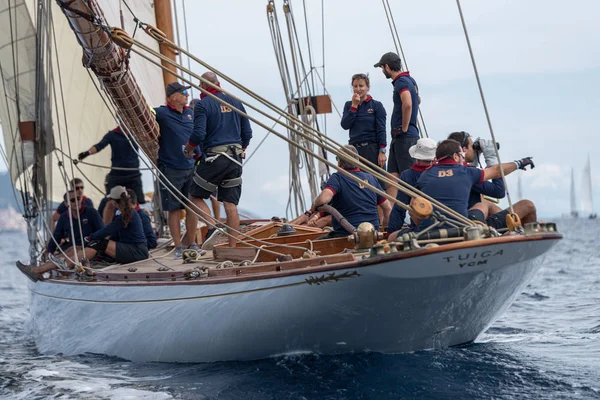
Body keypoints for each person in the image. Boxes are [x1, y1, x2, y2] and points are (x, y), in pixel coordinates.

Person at [17, 186, 148, 282]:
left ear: (114, 201)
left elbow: (107, 230)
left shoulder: (127, 214)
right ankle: (40, 269)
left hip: (137, 252)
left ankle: (48, 267)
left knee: (97, 243)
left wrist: (90, 238)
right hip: (129, 249)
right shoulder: (124, 213)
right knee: (78, 248)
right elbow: (111, 233)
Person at [184, 72, 252, 248]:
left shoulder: (203, 105)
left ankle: (214, 227)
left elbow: (198, 134)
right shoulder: (236, 102)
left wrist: (188, 149)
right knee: (230, 204)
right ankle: (233, 248)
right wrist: (240, 150)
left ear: (202, 86)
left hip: (215, 158)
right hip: (236, 159)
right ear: (219, 83)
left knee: (194, 196)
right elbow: (247, 134)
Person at [412, 139, 534, 230]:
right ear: (455, 156)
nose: (463, 158)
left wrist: (422, 229)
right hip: (463, 227)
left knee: (483, 204)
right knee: (528, 205)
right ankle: (518, 233)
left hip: (429, 231)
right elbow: (497, 172)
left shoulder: (425, 175)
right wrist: (519, 163)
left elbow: (413, 208)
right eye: (462, 155)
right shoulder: (466, 172)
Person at [449, 131, 538, 228]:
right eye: (472, 146)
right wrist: (491, 157)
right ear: (464, 150)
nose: (474, 150)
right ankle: (524, 232)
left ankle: (517, 227)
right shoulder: (465, 173)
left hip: (457, 222)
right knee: (528, 205)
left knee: (487, 204)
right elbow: (498, 191)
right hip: (473, 225)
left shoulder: (450, 170)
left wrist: (474, 163)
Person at [155, 81, 201, 258]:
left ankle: (191, 242)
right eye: (184, 93)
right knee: (173, 208)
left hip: (190, 167)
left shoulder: (190, 113)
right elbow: (143, 113)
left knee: (192, 206)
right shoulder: (161, 113)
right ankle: (178, 246)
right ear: (173, 97)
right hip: (171, 168)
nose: (187, 96)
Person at [309, 145, 391, 239]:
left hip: (347, 236)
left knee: (310, 247)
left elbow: (324, 199)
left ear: (339, 162)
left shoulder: (337, 178)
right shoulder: (371, 178)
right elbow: (387, 208)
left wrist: (315, 204)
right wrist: (385, 230)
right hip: (373, 234)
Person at [374, 52, 421, 201]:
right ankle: (392, 219)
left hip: (405, 137)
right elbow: (418, 99)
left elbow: (408, 103)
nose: (382, 71)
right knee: (392, 178)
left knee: (408, 180)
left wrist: (404, 126)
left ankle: (416, 216)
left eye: (382, 68)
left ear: (387, 67)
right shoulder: (410, 80)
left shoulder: (401, 82)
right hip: (398, 138)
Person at [77, 126, 145, 213]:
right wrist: (87, 153)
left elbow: (149, 142)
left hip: (134, 175)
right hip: (117, 175)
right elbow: (99, 146)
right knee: (110, 203)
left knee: (136, 204)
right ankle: (106, 226)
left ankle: (136, 225)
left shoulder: (136, 133)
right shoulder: (112, 134)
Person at [340, 73, 387, 185]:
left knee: (377, 183)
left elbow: (381, 129)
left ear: (367, 87)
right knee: (355, 184)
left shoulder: (376, 106)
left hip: (372, 148)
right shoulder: (348, 105)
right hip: (355, 149)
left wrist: (382, 151)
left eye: (361, 86)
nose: (358, 89)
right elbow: (345, 125)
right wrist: (354, 106)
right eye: (355, 86)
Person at [387, 138, 437, 241]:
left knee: (392, 238)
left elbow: (400, 208)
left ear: (416, 157)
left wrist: (391, 233)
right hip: (446, 224)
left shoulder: (408, 176)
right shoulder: (439, 172)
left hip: (420, 229)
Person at [189, 97, 221, 222]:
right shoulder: (208, 122)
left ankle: (211, 222)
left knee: (194, 195)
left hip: (200, 161)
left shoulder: (196, 125)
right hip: (211, 159)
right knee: (214, 194)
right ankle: (216, 221)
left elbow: (196, 140)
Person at [47, 190, 104, 255]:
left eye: (78, 198)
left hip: (91, 248)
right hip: (74, 249)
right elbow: (56, 237)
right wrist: (49, 252)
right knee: (65, 253)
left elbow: (102, 232)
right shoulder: (64, 217)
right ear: (66, 203)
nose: (77, 202)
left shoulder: (92, 212)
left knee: (68, 253)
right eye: (73, 200)